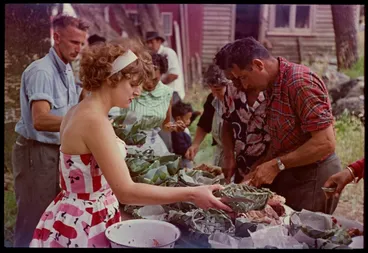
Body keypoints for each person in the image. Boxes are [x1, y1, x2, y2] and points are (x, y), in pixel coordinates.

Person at [30, 42, 232, 248]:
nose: (138, 92)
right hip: (86, 222)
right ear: (111, 79)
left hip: (77, 213)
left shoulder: (80, 110)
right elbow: (126, 191)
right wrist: (192, 193)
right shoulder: (94, 121)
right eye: (133, 84)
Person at [215, 37, 342, 213]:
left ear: (259, 65)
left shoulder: (299, 82)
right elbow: (283, 139)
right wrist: (259, 167)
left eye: (244, 77)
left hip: (314, 174)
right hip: (293, 171)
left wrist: (276, 165)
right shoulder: (271, 85)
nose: (243, 85)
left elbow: (325, 143)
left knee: (305, 234)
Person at [12, 14, 89, 247]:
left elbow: (72, 106)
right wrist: (81, 122)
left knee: (53, 211)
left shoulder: (66, 68)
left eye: (82, 44)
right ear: (56, 37)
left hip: (56, 150)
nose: (79, 49)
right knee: (33, 214)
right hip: (36, 152)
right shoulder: (42, 71)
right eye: (74, 42)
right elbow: (41, 120)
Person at [109, 51, 187, 156]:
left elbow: (165, 125)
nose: (150, 83)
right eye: (146, 78)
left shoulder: (166, 93)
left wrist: (175, 127)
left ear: (162, 75)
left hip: (153, 146)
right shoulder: (132, 89)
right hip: (126, 144)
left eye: (155, 80)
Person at [185, 64, 232, 168]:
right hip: (221, 153)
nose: (215, 94)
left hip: (237, 155)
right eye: (212, 89)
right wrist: (195, 145)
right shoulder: (212, 99)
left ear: (230, 84)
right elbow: (204, 123)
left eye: (218, 90)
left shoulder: (239, 101)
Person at [145, 31, 185, 100]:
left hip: (173, 92)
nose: (149, 45)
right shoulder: (150, 56)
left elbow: (174, 75)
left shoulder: (168, 53)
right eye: (147, 43)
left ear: (159, 41)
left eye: (151, 42)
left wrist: (155, 85)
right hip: (161, 92)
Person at [171, 101, 194, 168]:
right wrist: (189, 151)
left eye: (190, 118)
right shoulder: (177, 132)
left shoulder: (184, 128)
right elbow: (180, 148)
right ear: (178, 119)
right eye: (187, 119)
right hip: (183, 160)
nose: (189, 121)